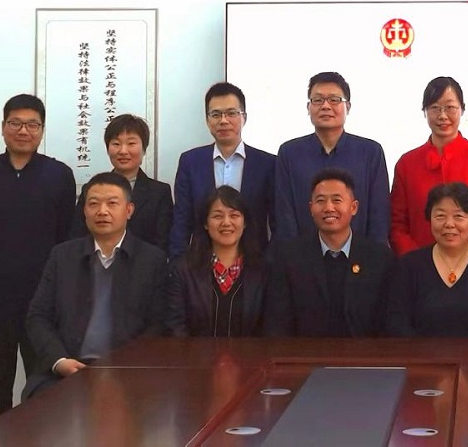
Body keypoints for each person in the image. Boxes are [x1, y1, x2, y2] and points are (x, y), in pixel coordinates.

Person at [0, 94, 76, 419]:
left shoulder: (59, 175)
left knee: (43, 383)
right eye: (15, 123)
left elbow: (64, 235)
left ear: (41, 130)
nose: (23, 131)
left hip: (42, 299)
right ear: (3, 127)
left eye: (32, 124)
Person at [24, 172, 167, 398]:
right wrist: (59, 361)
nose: (102, 211)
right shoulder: (62, 256)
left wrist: (123, 365)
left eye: (112, 203)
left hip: (128, 372)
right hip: (65, 372)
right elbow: (38, 317)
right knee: (39, 404)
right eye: (94, 204)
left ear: (129, 210)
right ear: (84, 211)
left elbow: (158, 324)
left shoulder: (152, 260)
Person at [264, 168, 395, 337]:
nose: (328, 207)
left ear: (353, 207)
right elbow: (278, 323)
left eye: (337, 200)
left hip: (364, 352)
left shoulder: (380, 258)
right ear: (311, 208)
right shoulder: (289, 258)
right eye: (320, 201)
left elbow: (389, 322)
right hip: (306, 352)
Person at [390, 76, 468, 257]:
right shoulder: (407, 164)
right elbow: (397, 224)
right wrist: (416, 262)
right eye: (435, 108)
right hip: (420, 266)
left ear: (462, 109)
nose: (442, 116)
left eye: (450, 107)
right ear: (424, 112)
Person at [386, 182, 468, 338]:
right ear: (429, 219)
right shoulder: (409, 266)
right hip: (421, 353)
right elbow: (396, 322)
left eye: (459, 216)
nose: (449, 224)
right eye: (440, 216)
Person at [274, 71, 390, 244]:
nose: (326, 106)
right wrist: (293, 256)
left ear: (348, 107)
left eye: (334, 100)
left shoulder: (370, 152)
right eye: (318, 100)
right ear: (308, 108)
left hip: (361, 255)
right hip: (302, 255)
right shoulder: (289, 153)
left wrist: (374, 256)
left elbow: (379, 215)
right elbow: (285, 215)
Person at [170, 82, 275, 257]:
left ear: (244, 117)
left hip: (255, 262)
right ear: (207, 120)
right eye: (216, 114)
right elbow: (181, 220)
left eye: (231, 113)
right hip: (200, 263)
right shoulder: (190, 162)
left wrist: (269, 263)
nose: (223, 120)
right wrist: (177, 263)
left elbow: (277, 224)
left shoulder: (268, 164)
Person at [166, 186, 267, 337]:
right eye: (218, 216)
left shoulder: (263, 271)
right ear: (205, 223)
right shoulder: (183, 270)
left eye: (234, 215)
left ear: (245, 222)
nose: (226, 222)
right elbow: (176, 328)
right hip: (194, 353)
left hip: (250, 353)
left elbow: (269, 330)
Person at [71, 114, 173, 251]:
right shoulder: (91, 189)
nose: (123, 151)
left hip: (144, 263)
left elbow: (162, 242)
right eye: (116, 144)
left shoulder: (159, 192)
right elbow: (77, 237)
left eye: (131, 143)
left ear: (144, 148)